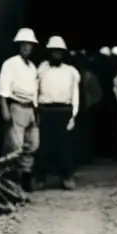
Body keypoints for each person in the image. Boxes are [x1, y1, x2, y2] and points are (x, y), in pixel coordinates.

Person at [33, 36, 81, 190]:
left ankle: (67, 176)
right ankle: (41, 178)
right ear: (49, 52)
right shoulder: (42, 68)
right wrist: (36, 109)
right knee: (44, 145)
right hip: (46, 110)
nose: (56, 55)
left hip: (63, 111)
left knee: (64, 146)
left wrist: (73, 115)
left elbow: (75, 94)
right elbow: (35, 89)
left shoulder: (71, 71)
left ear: (63, 53)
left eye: (59, 52)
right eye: (53, 52)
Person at [0, 28, 41, 191]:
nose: (27, 48)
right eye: (24, 44)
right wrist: (5, 108)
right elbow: (4, 87)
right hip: (16, 105)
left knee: (33, 144)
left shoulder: (32, 67)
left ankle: (26, 175)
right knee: (16, 145)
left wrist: (36, 112)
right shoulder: (10, 63)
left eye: (29, 45)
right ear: (19, 45)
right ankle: (12, 180)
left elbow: (35, 90)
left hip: (30, 108)